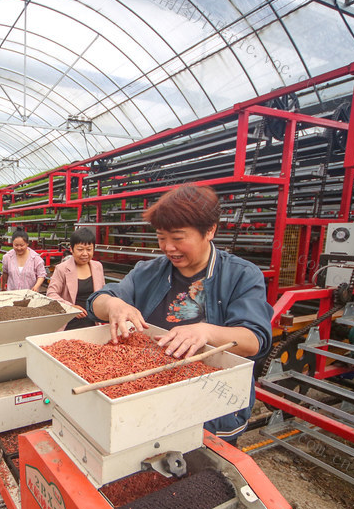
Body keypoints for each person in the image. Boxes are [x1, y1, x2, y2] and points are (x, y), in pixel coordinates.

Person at [87, 185, 272, 444]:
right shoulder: (149, 272)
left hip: (209, 407)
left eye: (178, 237)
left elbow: (254, 340)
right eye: (161, 237)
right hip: (148, 398)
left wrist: (205, 330)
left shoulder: (240, 275)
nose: (168, 247)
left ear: (210, 231)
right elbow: (97, 300)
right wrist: (114, 306)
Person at [47, 228, 105, 330]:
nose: (85, 254)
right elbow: (51, 294)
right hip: (69, 323)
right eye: (80, 249)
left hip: (93, 323)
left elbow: (103, 292)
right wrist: (70, 307)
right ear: (71, 249)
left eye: (89, 249)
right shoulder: (62, 269)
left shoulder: (97, 267)